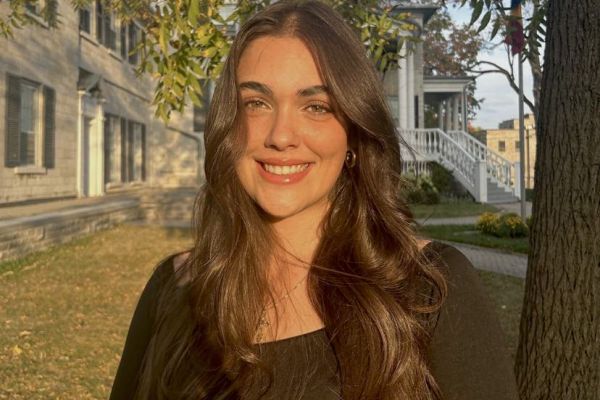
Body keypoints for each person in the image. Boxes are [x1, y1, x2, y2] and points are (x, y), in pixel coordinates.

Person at [110, 1, 519, 399]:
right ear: (227, 125)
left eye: (316, 106)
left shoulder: (430, 290)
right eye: (256, 103)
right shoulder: (175, 287)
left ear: (353, 135)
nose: (281, 135)